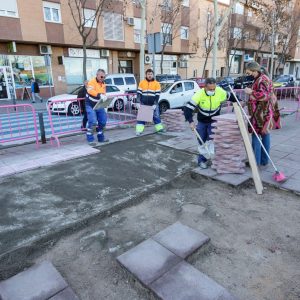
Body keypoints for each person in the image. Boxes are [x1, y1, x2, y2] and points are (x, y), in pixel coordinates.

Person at [184, 77, 227, 169]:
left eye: (213, 89)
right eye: (210, 89)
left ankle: (212, 159)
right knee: (202, 141)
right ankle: (202, 160)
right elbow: (187, 109)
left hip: (214, 121)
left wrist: (240, 101)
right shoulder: (199, 94)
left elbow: (230, 96)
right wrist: (191, 122)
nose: (212, 90)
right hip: (202, 121)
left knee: (211, 141)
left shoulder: (220, 91)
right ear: (205, 87)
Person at [244, 61, 273, 166]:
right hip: (261, 112)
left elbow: (265, 96)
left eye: (249, 73)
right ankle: (263, 161)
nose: (248, 75)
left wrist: (250, 92)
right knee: (265, 134)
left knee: (256, 135)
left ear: (255, 71)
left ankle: (255, 161)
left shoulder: (262, 79)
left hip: (260, 113)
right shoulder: (260, 78)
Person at [136, 69, 164, 135]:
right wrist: (137, 102)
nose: (150, 75)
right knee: (142, 117)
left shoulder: (157, 84)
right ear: (146, 75)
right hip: (143, 103)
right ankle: (139, 130)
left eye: (151, 74)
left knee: (156, 116)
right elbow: (139, 93)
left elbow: (157, 95)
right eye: (148, 74)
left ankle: (159, 129)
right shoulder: (142, 83)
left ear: (153, 75)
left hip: (153, 103)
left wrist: (155, 104)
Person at [85, 69, 109, 145]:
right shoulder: (92, 82)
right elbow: (90, 91)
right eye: (101, 76)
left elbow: (104, 94)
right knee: (93, 121)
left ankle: (101, 137)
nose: (103, 78)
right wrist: (99, 95)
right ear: (97, 75)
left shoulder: (104, 83)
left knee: (103, 121)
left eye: (104, 77)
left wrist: (105, 105)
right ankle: (90, 139)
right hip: (90, 104)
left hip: (99, 104)